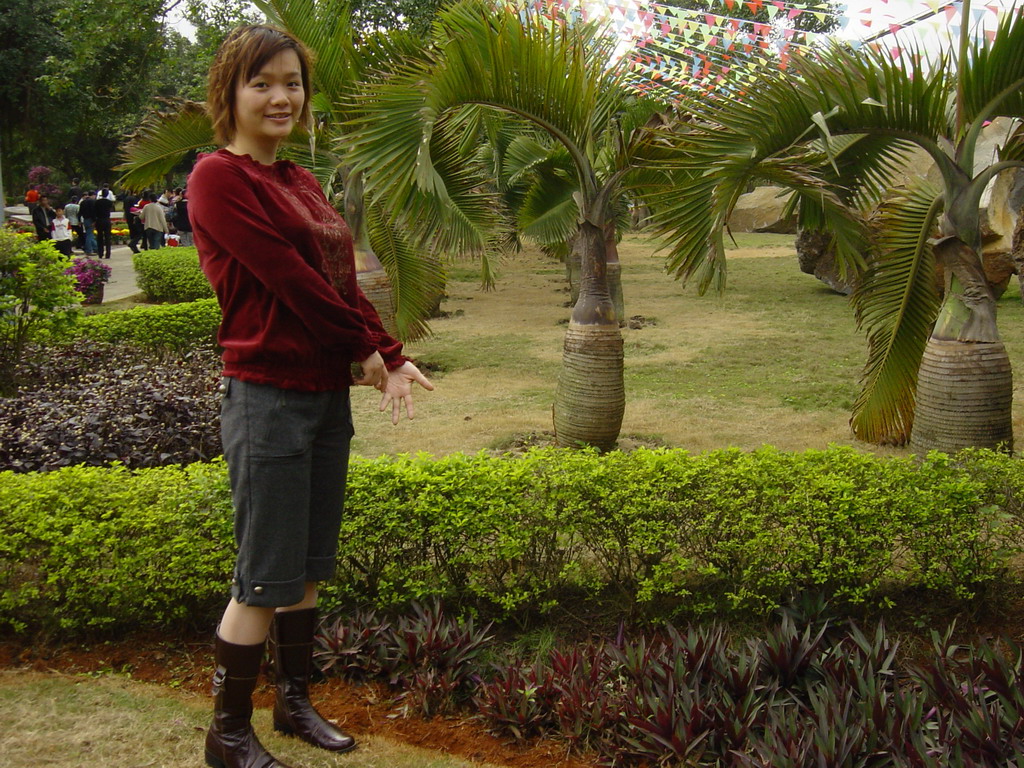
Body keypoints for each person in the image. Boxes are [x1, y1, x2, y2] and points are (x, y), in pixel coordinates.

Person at [189, 24, 434, 768]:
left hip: (325, 397)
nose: (280, 96)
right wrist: (366, 350)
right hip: (266, 396)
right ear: (229, 93)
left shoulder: (299, 180)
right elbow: (289, 285)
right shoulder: (217, 179)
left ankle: (295, 705)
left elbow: (339, 284)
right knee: (264, 573)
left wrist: (389, 352)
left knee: (308, 568)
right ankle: (228, 735)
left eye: (291, 82)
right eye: (261, 82)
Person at [94, 184, 114, 258]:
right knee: (107, 237)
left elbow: (95, 211)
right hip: (106, 220)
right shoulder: (109, 202)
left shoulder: (97, 202)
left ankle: (100, 253)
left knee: (100, 237)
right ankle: (108, 253)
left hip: (99, 220)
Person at [79, 190, 98, 256]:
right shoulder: (92, 202)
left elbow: (80, 212)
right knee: (89, 235)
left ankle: (96, 248)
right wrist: (94, 220)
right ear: (93, 195)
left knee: (89, 234)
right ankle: (88, 250)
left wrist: (79, 220)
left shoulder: (82, 202)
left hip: (85, 219)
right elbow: (93, 212)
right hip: (90, 219)